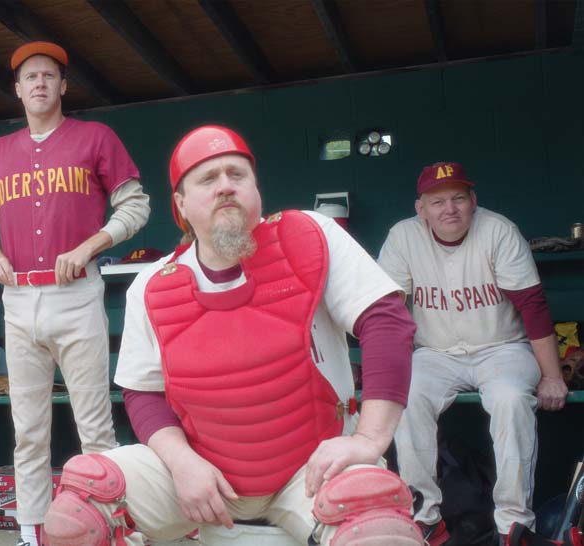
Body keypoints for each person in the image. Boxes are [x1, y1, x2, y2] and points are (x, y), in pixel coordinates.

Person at [42, 125, 425, 546]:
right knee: (79, 512)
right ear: (181, 204)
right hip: (203, 476)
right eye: (208, 178)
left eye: (237, 174)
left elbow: (387, 320)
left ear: (256, 190)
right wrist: (182, 462)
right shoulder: (152, 286)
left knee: (378, 531)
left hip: (312, 469)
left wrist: (369, 439)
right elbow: (143, 392)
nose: (225, 186)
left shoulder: (310, 236)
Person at [0, 41, 150, 546]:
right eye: (31, 77)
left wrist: (92, 246)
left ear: (63, 85)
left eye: (49, 75)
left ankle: (111, 527)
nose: (40, 83)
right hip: (19, 296)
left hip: (75, 292)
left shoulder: (95, 136)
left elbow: (134, 206)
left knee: (94, 426)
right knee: (28, 430)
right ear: (18, 89)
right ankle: (31, 533)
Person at [377, 162, 569, 545]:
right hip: (436, 353)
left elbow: (532, 306)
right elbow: (389, 313)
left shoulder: (498, 230)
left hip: (502, 348)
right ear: (421, 209)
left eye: (459, 198)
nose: (450, 209)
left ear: (473, 201)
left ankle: (513, 524)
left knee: (511, 399)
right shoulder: (403, 237)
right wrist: (384, 377)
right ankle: (424, 515)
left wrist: (552, 376)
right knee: (406, 398)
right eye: (438, 201)